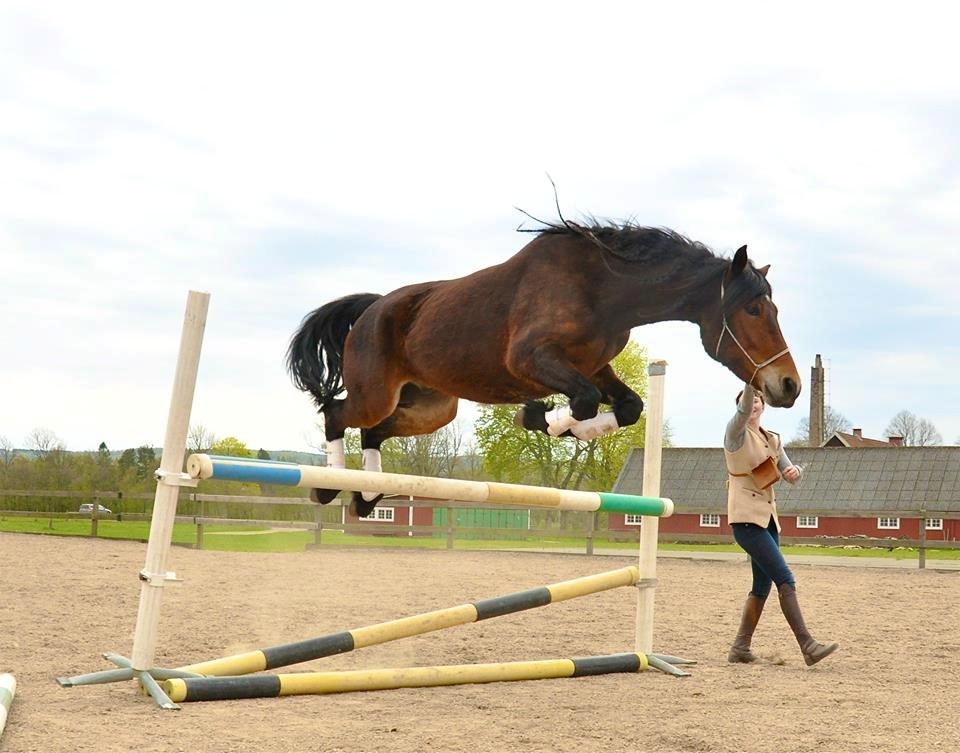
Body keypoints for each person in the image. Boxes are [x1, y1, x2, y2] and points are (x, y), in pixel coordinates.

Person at [724, 383, 838, 666]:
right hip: (746, 520)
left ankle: (740, 648)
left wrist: (794, 472)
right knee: (785, 578)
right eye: (748, 402)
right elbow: (743, 406)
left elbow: (790, 476)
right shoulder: (735, 433)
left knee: (761, 586)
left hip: (768, 520)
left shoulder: (772, 438)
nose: (752, 405)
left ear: (764, 406)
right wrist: (751, 381)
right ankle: (808, 646)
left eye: (757, 402)